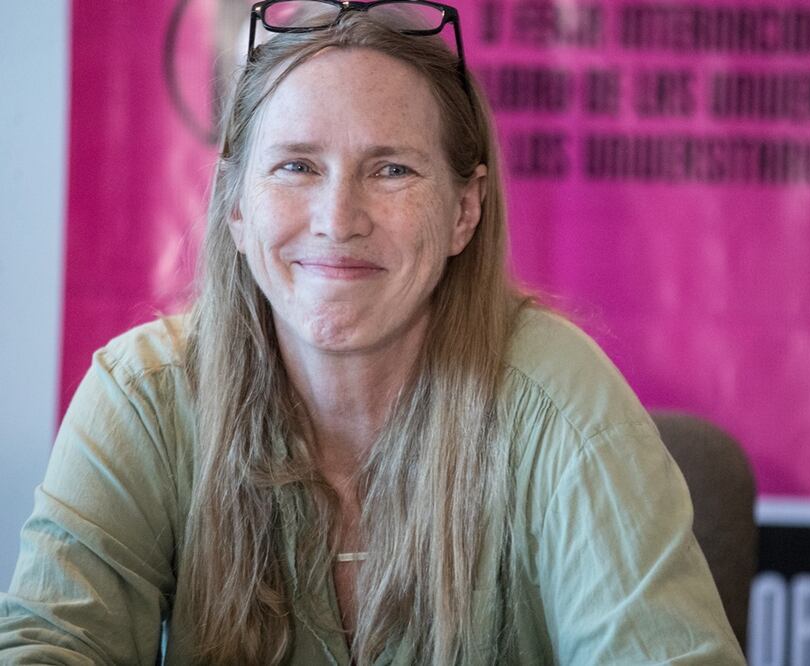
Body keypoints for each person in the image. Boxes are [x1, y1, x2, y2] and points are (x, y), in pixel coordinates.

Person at [0, 2, 744, 663]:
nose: (337, 219)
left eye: (390, 170)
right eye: (295, 166)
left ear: (464, 211)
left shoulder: (561, 398)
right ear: (235, 210)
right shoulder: (142, 397)